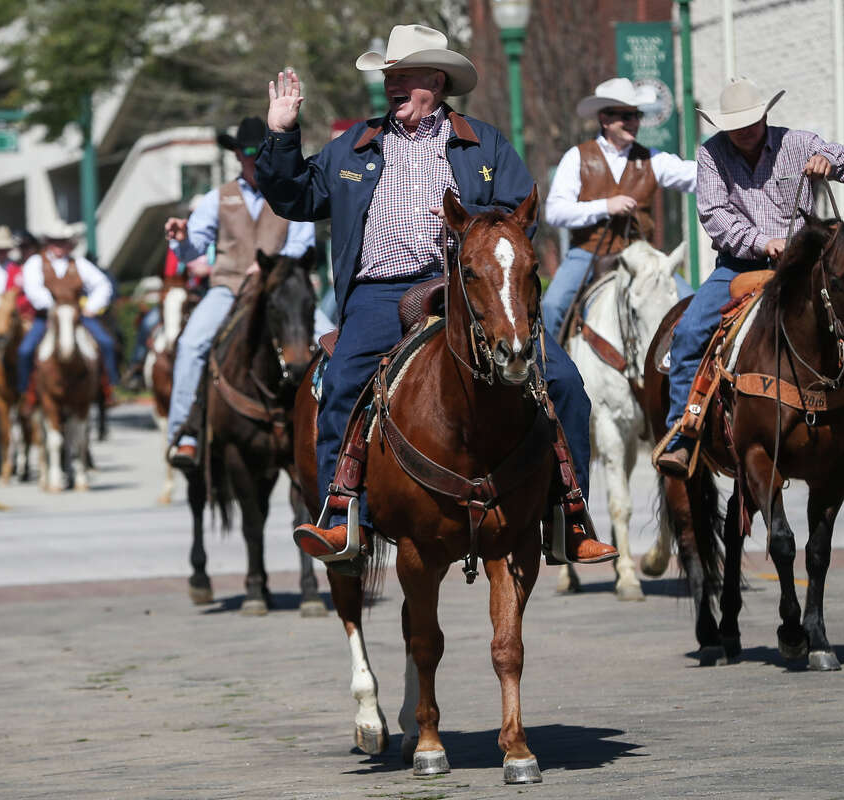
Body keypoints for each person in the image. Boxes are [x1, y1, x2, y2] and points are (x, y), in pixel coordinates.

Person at [258, 24, 616, 565]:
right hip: (380, 292)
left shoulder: (484, 143)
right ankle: (341, 516)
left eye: (406, 76)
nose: (393, 85)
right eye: (390, 76)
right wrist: (282, 136)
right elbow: (295, 197)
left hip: (470, 291)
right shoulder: (354, 145)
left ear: (438, 81)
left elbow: (520, 217)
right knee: (344, 380)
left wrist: (471, 226)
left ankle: (571, 517)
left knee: (565, 382)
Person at [655, 78, 844, 478]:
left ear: (764, 116)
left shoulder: (795, 143)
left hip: (804, 264)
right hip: (738, 265)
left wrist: (828, 161)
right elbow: (714, 216)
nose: (745, 130)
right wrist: (764, 242)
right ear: (723, 127)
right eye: (736, 125)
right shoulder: (710, 156)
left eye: (751, 121)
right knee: (690, 331)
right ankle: (684, 429)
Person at [163, 115, 317, 468]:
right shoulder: (218, 198)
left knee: (328, 340)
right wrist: (182, 239)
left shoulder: (290, 193)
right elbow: (192, 247)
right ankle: (185, 434)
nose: (254, 158)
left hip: (280, 290)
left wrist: (272, 267)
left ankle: (332, 427)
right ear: (236, 155)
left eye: (262, 151)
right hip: (229, 288)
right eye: (248, 152)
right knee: (191, 344)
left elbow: (302, 244)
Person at [541, 77, 698, 337]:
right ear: (605, 119)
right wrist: (605, 206)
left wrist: (727, 165)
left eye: (637, 115)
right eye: (626, 116)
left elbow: (692, 175)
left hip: (641, 253)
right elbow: (555, 212)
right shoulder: (577, 157)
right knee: (552, 306)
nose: (634, 122)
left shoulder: (653, 159)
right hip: (587, 252)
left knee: (690, 304)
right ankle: (548, 363)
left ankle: (685, 362)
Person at [16, 224, 116, 394]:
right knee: (25, 350)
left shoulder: (79, 263)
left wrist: (91, 306)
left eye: (63, 242)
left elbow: (102, 284)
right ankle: (25, 392)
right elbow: (33, 289)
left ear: (69, 244)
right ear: (48, 243)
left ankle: (109, 388)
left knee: (106, 342)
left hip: (77, 315)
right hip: (45, 317)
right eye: (55, 241)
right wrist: (52, 308)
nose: (59, 246)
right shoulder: (36, 262)